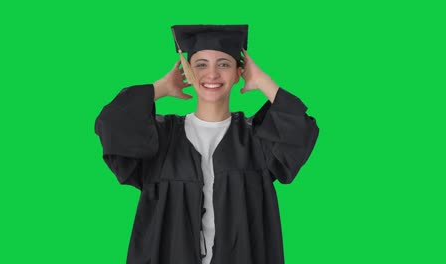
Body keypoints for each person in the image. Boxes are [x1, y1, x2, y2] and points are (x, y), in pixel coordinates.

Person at [94, 24, 319, 264]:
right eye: (201, 65)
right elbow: (111, 123)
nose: (212, 74)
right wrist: (160, 88)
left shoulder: (256, 141)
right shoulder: (162, 138)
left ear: (237, 73)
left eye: (223, 64)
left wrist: (263, 81)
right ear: (189, 71)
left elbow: (302, 130)